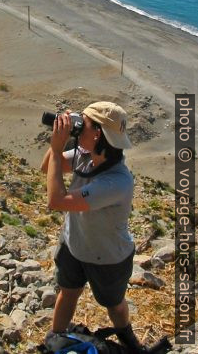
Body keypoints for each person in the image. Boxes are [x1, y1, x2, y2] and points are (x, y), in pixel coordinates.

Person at [41, 101, 144, 353]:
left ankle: (126, 337)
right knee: (68, 291)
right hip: (74, 244)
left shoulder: (116, 181)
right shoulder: (84, 155)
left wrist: (57, 149)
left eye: (82, 123)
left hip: (107, 256)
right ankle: (56, 340)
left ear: (98, 133)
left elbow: (56, 201)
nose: (76, 127)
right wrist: (58, 142)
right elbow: (47, 168)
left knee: (114, 303)